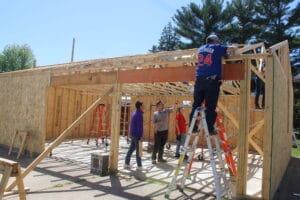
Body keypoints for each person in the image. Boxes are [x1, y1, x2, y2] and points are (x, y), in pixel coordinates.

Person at [189, 34, 237, 135]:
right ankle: (210, 129)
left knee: (196, 105)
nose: (219, 43)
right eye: (218, 42)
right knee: (210, 106)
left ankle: (192, 127)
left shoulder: (200, 49)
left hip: (199, 80)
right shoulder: (216, 47)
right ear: (215, 41)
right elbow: (231, 49)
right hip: (211, 81)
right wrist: (235, 46)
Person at [152, 100, 174, 164]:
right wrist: (159, 122)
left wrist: (174, 105)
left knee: (162, 145)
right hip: (158, 131)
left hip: (165, 131)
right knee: (156, 145)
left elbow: (172, 109)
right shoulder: (155, 113)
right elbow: (153, 122)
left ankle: (160, 158)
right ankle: (153, 158)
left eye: (162, 104)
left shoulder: (166, 111)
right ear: (157, 106)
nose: (162, 105)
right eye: (161, 104)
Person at [124, 101, 144, 170]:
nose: (143, 107)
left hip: (132, 134)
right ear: (140, 106)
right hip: (136, 135)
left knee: (131, 149)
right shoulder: (139, 114)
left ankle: (126, 163)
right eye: (142, 105)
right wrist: (140, 136)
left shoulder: (135, 113)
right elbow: (139, 126)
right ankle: (139, 166)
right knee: (139, 151)